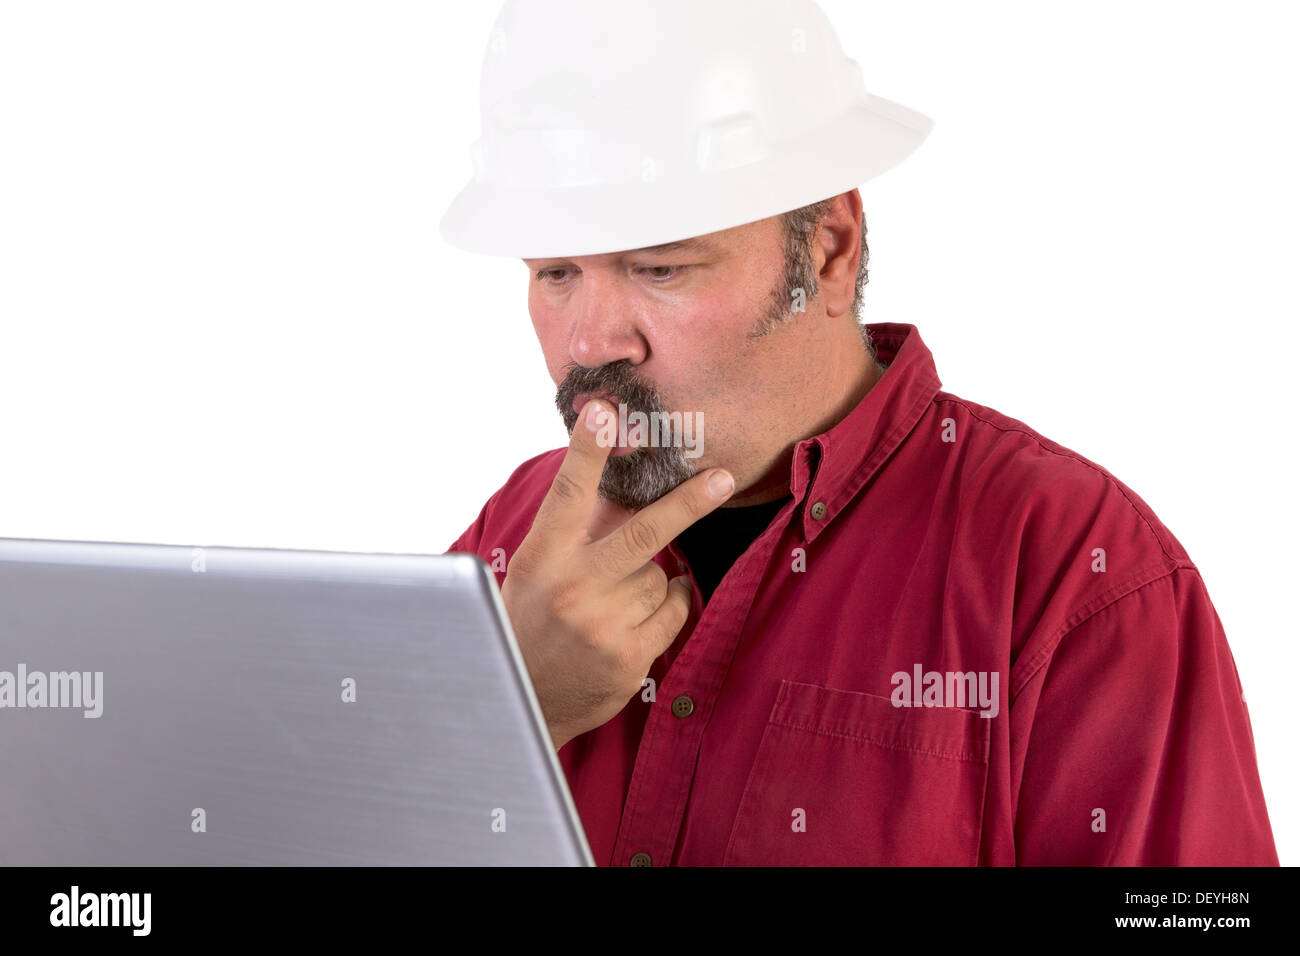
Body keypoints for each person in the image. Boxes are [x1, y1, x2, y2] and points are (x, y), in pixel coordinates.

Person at [441, 0, 1278, 866]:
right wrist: (503, 716)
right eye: (556, 273)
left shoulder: (1077, 575)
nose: (590, 342)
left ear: (830, 250)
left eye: (660, 266)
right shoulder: (514, 537)